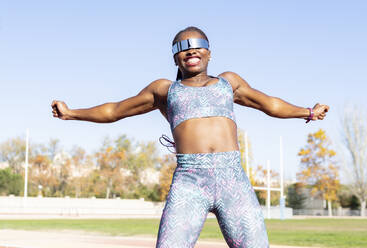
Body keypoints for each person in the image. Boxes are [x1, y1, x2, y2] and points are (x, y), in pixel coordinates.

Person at [51, 26, 329, 248]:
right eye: (182, 46)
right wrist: (71, 113)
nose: (190, 49)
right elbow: (114, 110)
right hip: (190, 180)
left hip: (232, 178)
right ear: (175, 57)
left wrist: (307, 112)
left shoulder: (228, 82)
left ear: (209, 52)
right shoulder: (163, 90)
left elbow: (269, 104)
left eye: (197, 43)